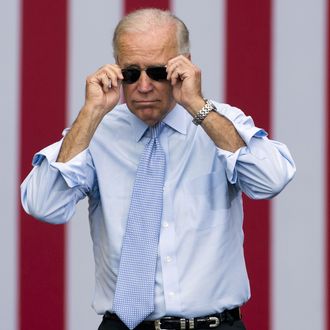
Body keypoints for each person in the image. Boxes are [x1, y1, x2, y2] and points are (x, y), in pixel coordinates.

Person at [21, 8, 296, 330]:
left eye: (157, 71)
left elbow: (270, 181)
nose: (144, 85)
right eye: (131, 73)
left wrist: (197, 105)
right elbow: (44, 206)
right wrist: (91, 112)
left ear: (184, 65)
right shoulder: (95, 131)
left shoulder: (219, 121)